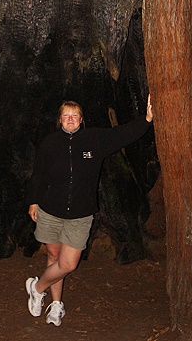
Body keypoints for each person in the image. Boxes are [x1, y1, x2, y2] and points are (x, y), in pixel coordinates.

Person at [25, 95, 153, 326]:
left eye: (75, 116)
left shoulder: (95, 139)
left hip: (80, 215)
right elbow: (38, 174)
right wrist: (33, 201)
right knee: (53, 257)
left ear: (81, 119)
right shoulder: (50, 143)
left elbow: (123, 134)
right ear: (60, 120)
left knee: (68, 264)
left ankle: (37, 287)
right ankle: (56, 305)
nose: (70, 119)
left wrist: (146, 119)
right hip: (50, 211)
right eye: (66, 116)